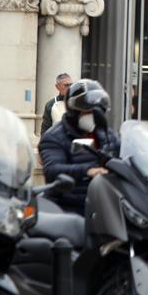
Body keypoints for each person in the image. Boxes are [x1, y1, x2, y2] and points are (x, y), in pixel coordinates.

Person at [39, 79, 122, 214]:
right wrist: (88, 170)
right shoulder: (54, 137)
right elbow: (52, 170)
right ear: (74, 112)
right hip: (69, 206)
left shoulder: (106, 134)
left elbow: (122, 155)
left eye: (95, 112)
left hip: (104, 203)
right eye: (87, 112)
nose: (92, 116)